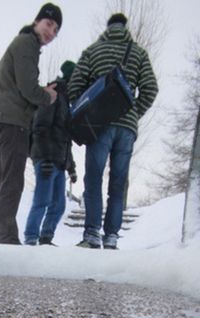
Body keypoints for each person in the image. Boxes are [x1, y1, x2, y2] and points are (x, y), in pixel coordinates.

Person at [68, 13, 158, 250]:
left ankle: (91, 234)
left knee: (94, 179)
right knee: (118, 183)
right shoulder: (138, 53)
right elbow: (150, 88)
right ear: (125, 28)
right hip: (126, 130)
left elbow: (75, 87)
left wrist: (90, 109)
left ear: (107, 29)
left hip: (99, 125)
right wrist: (132, 112)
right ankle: (112, 236)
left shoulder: (92, 51)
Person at [0, 4, 62, 245]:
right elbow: (28, 88)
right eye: (49, 24)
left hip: (2, 119)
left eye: (56, 30)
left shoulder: (24, 44)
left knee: (3, 181)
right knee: (13, 181)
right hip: (12, 121)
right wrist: (47, 95)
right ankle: (5, 238)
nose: (51, 32)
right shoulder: (27, 44)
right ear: (37, 21)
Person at [23, 60, 77, 246]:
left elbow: (66, 139)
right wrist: (44, 157)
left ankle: (46, 238)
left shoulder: (67, 102)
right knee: (42, 200)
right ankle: (31, 237)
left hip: (59, 162)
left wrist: (71, 168)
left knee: (59, 205)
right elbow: (40, 127)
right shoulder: (52, 96)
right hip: (46, 159)